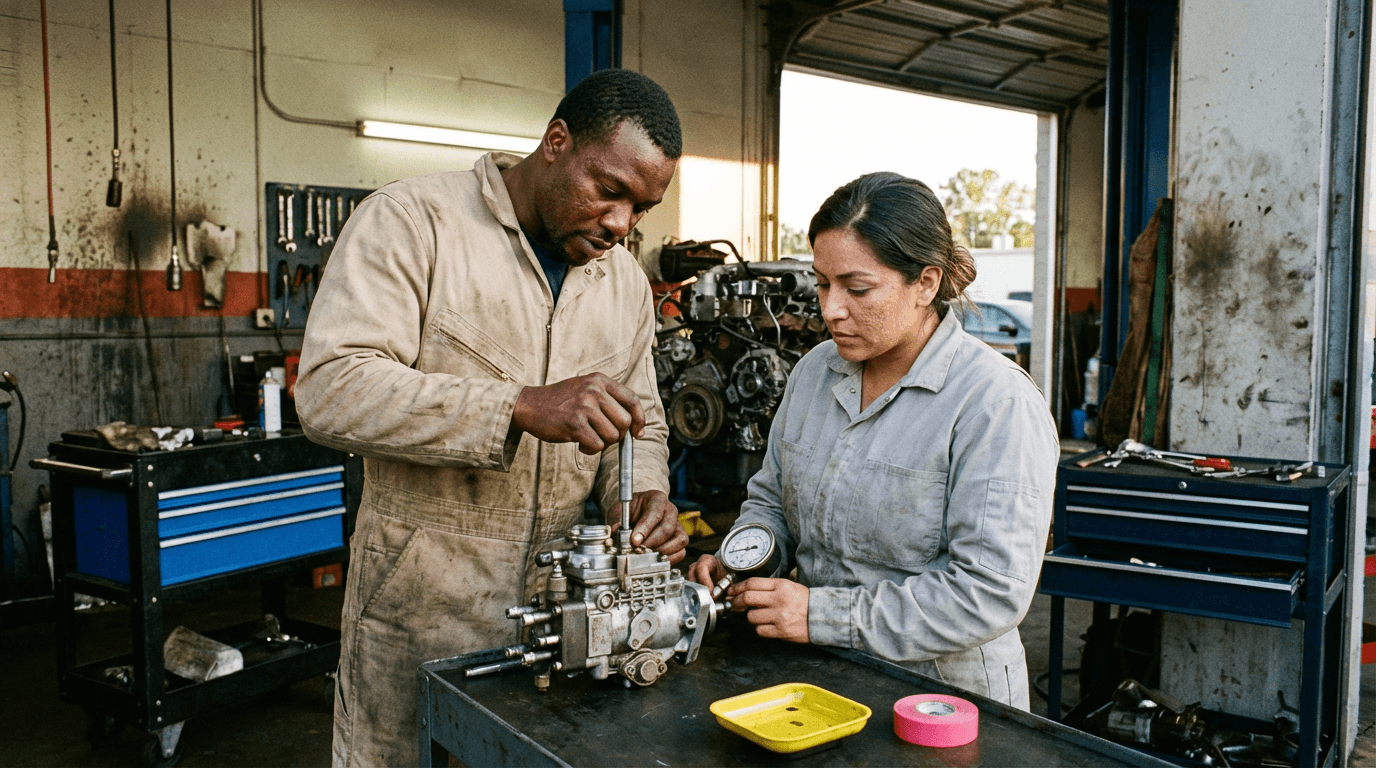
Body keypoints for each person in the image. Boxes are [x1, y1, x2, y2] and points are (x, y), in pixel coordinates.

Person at [296, 69, 690, 767]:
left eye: (642, 210)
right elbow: (331, 390)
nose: (622, 225)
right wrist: (514, 406)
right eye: (609, 191)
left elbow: (642, 425)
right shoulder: (416, 222)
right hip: (420, 603)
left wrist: (640, 497)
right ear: (556, 142)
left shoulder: (624, 281)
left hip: (567, 611)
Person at [688, 172, 1058, 710]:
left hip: (942, 701)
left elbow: (988, 594)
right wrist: (745, 557)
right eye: (822, 284)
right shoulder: (814, 373)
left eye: (857, 289)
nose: (831, 309)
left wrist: (819, 616)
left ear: (926, 283)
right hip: (819, 680)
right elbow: (771, 501)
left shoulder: (994, 404)